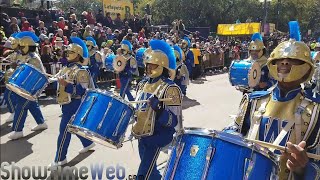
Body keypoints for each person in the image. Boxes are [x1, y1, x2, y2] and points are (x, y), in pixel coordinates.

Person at [224, 21, 320, 180]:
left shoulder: (316, 110)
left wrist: (302, 169)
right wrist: (229, 135)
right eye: (280, 59)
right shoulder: (252, 100)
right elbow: (235, 130)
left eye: (293, 59)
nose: (284, 62)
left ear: (306, 69)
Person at [132, 40, 183, 179]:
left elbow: (173, 122)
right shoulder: (142, 84)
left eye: (152, 66)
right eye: (147, 66)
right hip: (142, 132)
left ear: (162, 66)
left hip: (159, 135)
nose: (148, 69)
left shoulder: (171, 88)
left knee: (143, 174)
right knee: (151, 171)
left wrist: (160, 110)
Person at [49, 37, 95, 167]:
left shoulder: (81, 70)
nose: (68, 54)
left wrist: (67, 85)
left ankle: (60, 159)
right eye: (67, 52)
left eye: (71, 52)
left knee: (64, 131)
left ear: (78, 55)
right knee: (73, 128)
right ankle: (88, 143)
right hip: (66, 104)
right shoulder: (66, 68)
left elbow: (82, 91)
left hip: (75, 105)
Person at [8, 32, 48, 140]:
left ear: (27, 46)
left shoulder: (33, 58)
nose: (19, 48)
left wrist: (18, 66)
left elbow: (31, 73)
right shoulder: (26, 56)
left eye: (21, 46)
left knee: (21, 107)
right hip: (25, 86)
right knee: (32, 104)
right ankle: (41, 122)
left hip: (30, 87)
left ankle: (18, 130)